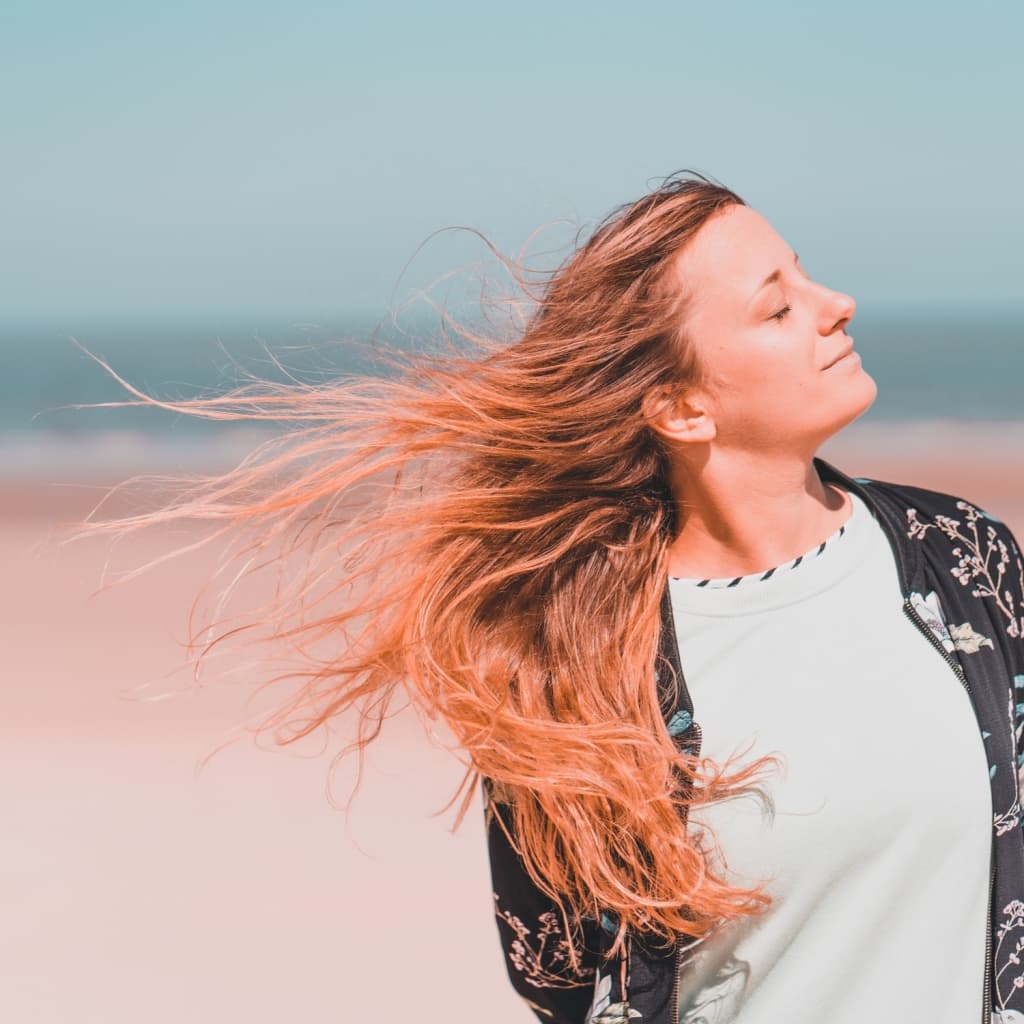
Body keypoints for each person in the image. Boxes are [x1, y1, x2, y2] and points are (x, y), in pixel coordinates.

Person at [74, 171, 1024, 1024]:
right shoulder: (577, 668)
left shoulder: (965, 559)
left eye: (807, 276)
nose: (837, 305)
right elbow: (562, 981)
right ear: (682, 407)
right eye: (778, 309)